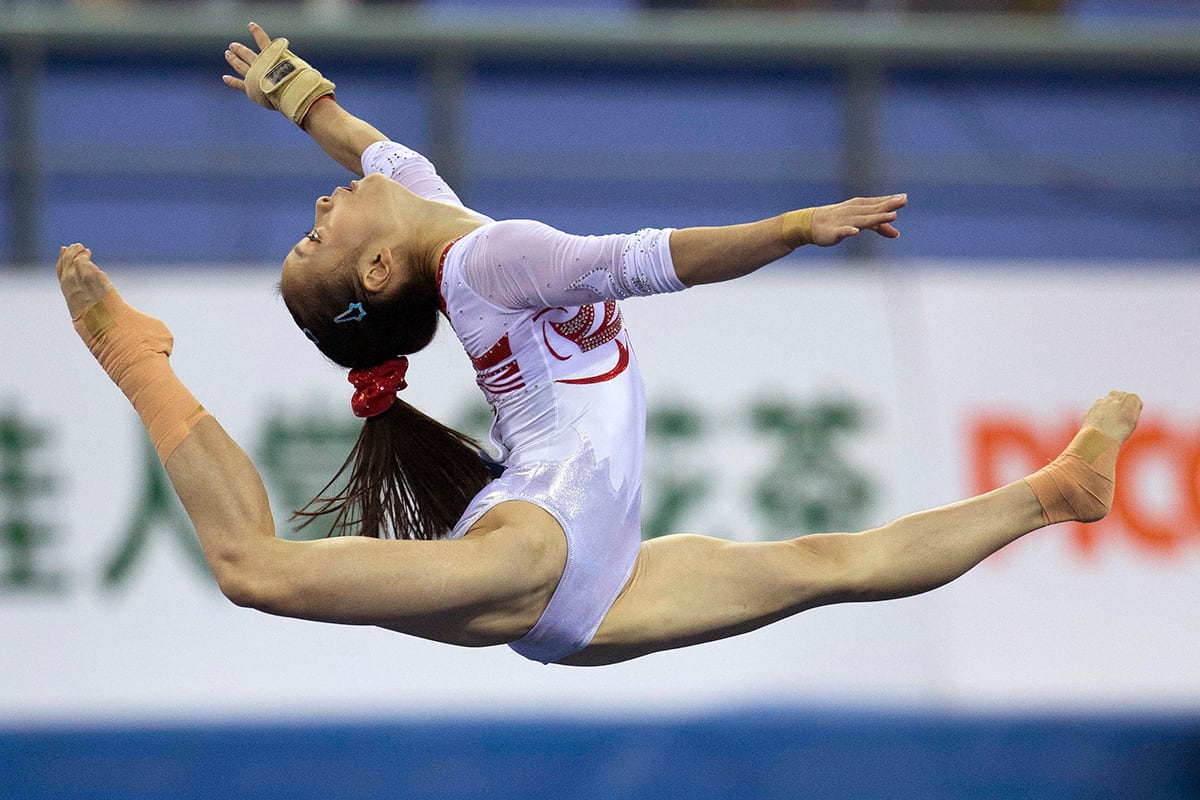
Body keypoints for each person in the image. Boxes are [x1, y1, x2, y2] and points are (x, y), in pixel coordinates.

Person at [57, 22, 1141, 667]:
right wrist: (792, 229)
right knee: (256, 570)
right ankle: (139, 360)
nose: (325, 204)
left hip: (596, 568)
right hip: (541, 551)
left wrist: (294, 93)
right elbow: (647, 259)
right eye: (317, 236)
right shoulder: (493, 260)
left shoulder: (425, 210)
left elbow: (365, 145)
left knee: (833, 563)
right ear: (377, 273)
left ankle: (1054, 493)